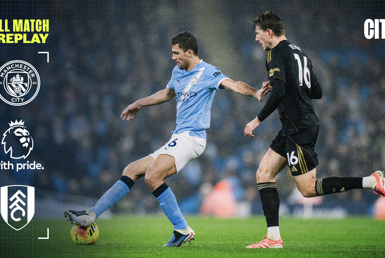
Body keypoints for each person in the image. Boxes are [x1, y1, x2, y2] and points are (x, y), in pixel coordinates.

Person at [64, 31, 270, 247]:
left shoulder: (208, 72)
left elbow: (235, 84)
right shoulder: (177, 71)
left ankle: (182, 229)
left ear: (190, 53)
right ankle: (91, 214)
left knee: (153, 176)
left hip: (192, 138)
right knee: (131, 170)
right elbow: (166, 94)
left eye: (176, 53)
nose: (173, 57)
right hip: (178, 136)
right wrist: (139, 103)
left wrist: (255, 92)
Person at [243, 11, 385, 249]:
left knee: (308, 188)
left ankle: (372, 181)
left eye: (258, 34)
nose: (256, 39)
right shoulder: (300, 53)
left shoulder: (275, 53)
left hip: (299, 127)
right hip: (294, 125)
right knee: (263, 173)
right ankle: (273, 238)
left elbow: (281, 92)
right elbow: (317, 92)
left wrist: (257, 119)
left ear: (269, 32)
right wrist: (279, 83)